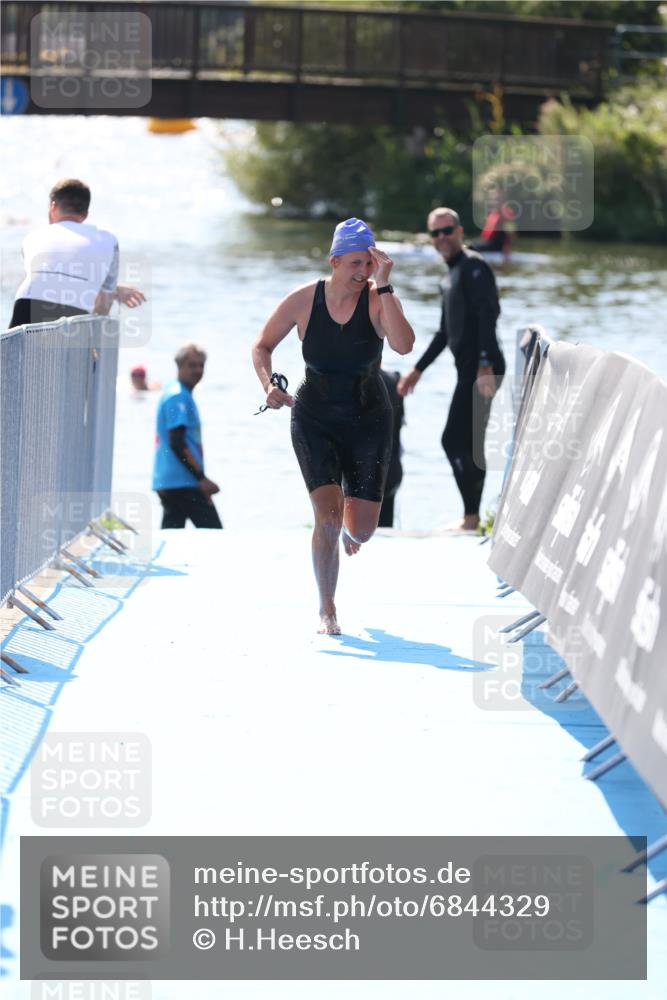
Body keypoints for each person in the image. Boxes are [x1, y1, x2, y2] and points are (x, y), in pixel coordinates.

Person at [252, 217, 415, 635]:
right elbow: (262, 345)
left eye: (370, 263)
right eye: (356, 264)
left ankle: (349, 524)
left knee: (361, 529)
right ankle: (327, 608)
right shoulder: (305, 300)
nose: (363, 272)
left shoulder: (378, 299)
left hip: (369, 419)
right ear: (335, 260)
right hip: (315, 418)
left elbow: (403, 345)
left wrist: (386, 283)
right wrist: (269, 383)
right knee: (324, 516)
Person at [398, 207, 505, 533]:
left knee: (454, 441)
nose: (442, 238)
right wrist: (417, 370)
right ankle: (472, 517)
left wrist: (485, 364)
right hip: (468, 369)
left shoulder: (474, 267)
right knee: (468, 443)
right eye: (436, 233)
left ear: (459, 231)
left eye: (447, 230)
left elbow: (489, 315)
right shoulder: (449, 275)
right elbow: (445, 332)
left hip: (481, 369)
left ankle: (471, 519)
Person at [9, 178, 145, 328]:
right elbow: (104, 303)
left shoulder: (32, 237)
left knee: (18, 352)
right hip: (76, 311)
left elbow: (50, 276)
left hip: (26, 306)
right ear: (86, 214)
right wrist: (95, 336)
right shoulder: (109, 240)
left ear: (53, 206)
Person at [152, 343, 222, 529]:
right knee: (214, 535)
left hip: (171, 480)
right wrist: (200, 479)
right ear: (180, 366)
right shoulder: (178, 396)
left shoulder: (176, 390)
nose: (198, 370)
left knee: (171, 535)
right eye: (192, 365)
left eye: (201, 365)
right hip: (183, 482)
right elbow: (177, 442)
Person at [378, 369, 405, 528]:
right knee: (385, 531)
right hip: (392, 471)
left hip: (363, 476)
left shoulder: (352, 379)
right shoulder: (394, 379)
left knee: (355, 537)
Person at [469, 186, 516, 258]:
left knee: (469, 246)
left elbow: (511, 233)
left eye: (496, 199)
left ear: (502, 200)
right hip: (487, 242)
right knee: (467, 243)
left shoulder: (506, 213)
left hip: (496, 246)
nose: (493, 201)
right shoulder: (493, 212)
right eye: (492, 200)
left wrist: (507, 248)